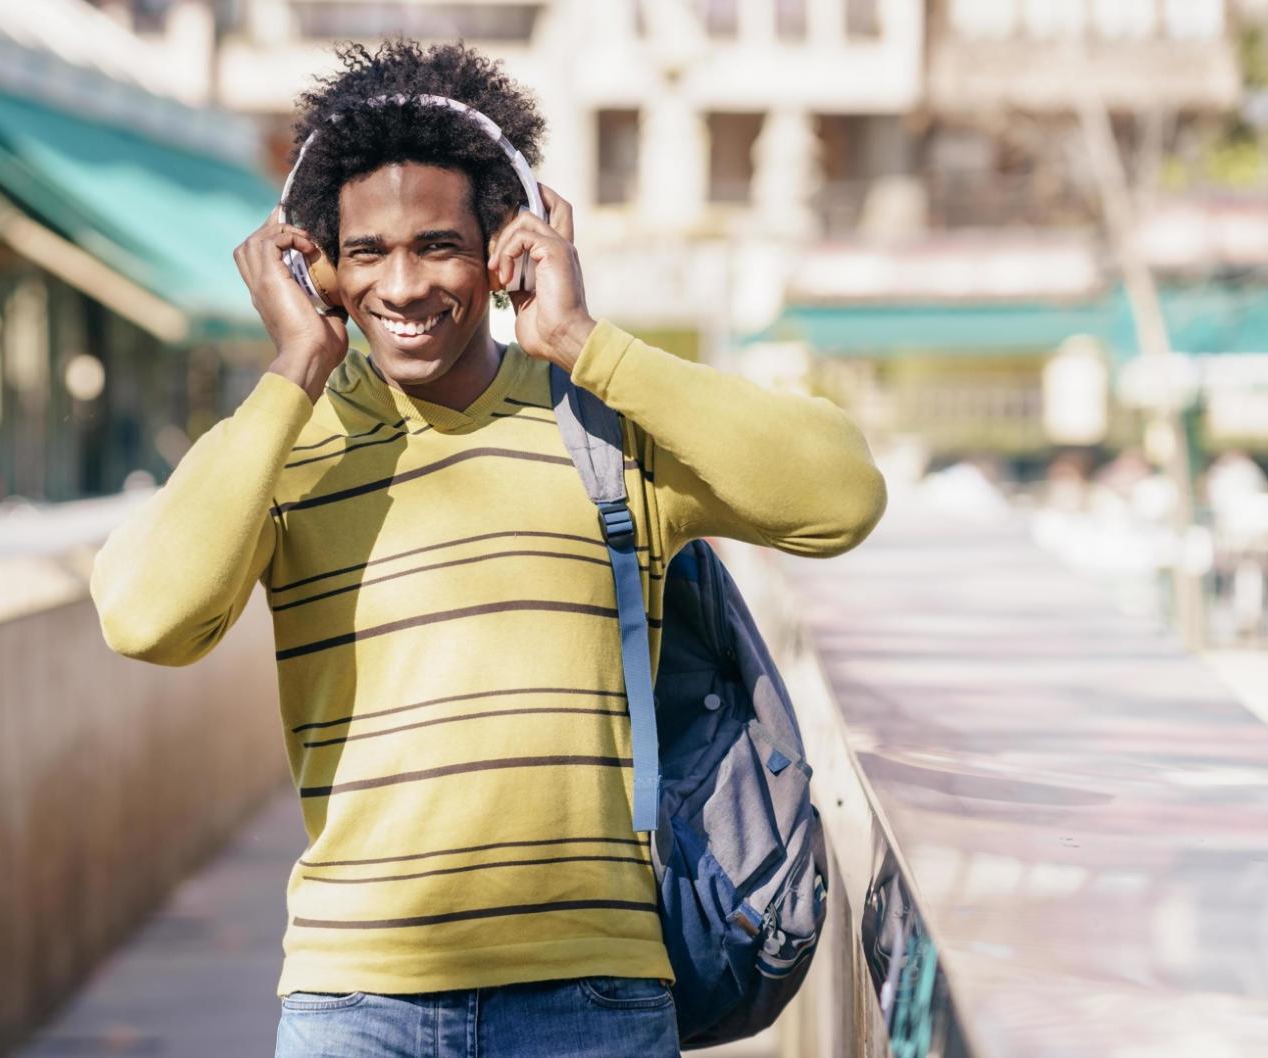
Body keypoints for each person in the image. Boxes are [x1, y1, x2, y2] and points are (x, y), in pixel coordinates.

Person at [89, 40, 885, 1058]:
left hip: (592, 995)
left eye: (437, 245)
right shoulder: (284, 446)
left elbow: (840, 498)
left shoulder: (602, 426)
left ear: (506, 246)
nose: (405, 285)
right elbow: (145, 616)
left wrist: (585, 340)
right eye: (368, 251)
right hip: (352, 1001)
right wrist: (293, 365)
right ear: (316, 264)